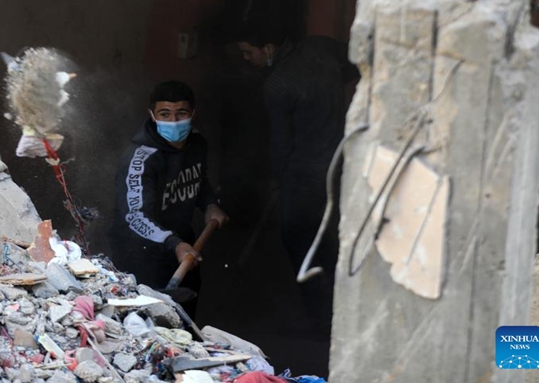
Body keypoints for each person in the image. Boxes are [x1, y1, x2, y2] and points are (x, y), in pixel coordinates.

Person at [235, 24, 359, 332]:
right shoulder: (321, 47)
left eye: (249, 52)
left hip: (304, 175)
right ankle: (346, 300)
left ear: (268, 48)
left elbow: (281, 144)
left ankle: (321, 320)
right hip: (342, 161)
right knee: (332, 235)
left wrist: (279, 180)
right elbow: (358, 61)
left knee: (300, 241)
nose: (246, 58)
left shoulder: (277, 84)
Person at [110, 81, 228, 317]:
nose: (173, 122)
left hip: (184, 250)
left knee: (185, 318)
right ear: (152, 115)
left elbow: (199, 179)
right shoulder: (141, 160)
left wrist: (209, 203)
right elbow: (135, 216)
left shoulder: (197, 143)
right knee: (149, 323)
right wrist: (173, 244)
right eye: (165, 114)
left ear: (192, 114)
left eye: (181, 113)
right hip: (141, 255)